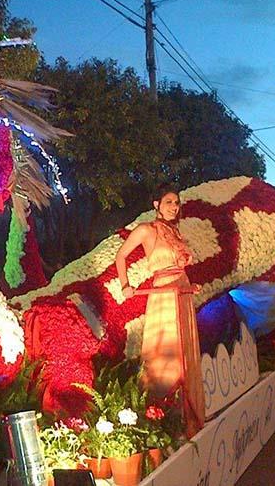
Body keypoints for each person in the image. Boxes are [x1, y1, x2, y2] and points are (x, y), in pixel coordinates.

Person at [115, 186, 204, 438]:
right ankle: (165, 419)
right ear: (156, 204)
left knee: (185, 352)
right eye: (168, 202)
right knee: (166, 355)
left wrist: (190, 285)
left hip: (182, 295)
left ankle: (189, 417)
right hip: (164, 296)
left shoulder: (175, 231)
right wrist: (125, 285)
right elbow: (121, 256)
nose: (174, 206)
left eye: (176, 202)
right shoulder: (147, 230)